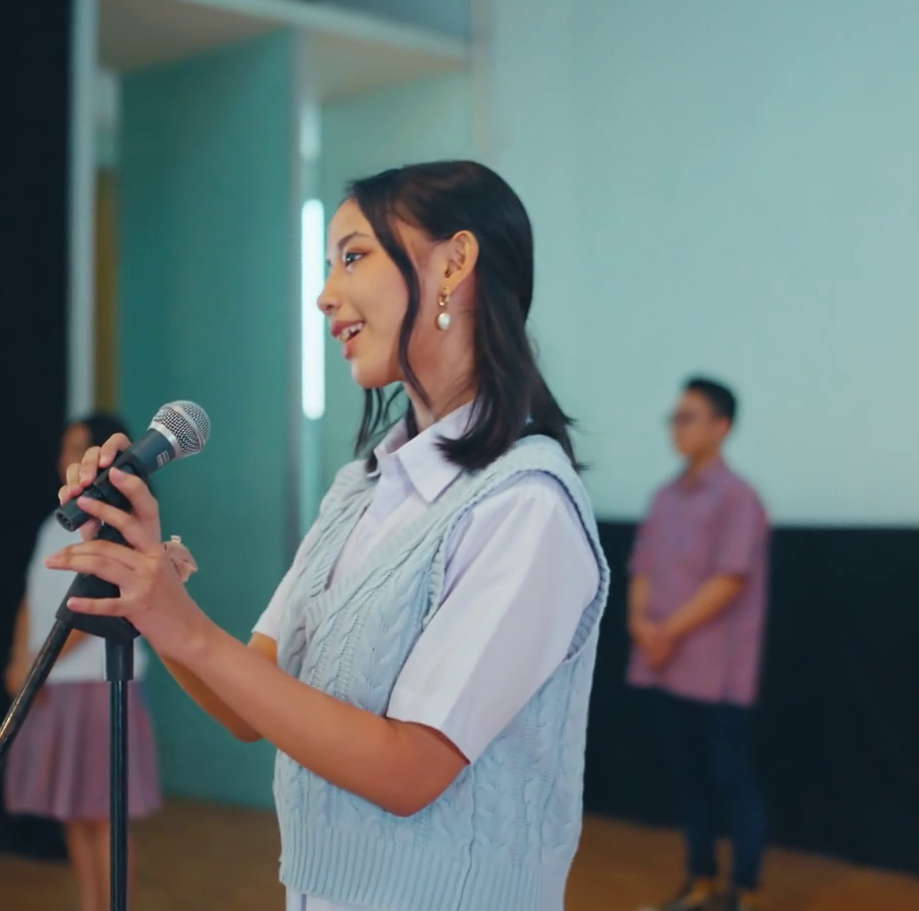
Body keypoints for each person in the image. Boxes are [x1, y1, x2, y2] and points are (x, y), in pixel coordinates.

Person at [45, 160, 608, 911]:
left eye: (353, 257)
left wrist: (188, 627)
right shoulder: (361, 490)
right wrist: (149, 578)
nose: (325, 295)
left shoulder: (526, 506)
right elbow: (246, 706)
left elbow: (410, 771)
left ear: (455, 263)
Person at [2, 412, 163, 911]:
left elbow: (88, 604)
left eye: (78, 448)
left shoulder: (116, 525)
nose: (66, 460)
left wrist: (39, 664)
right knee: (73, 810)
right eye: (66, 448)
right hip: (54, 682)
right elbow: (32, 597)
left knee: (105, 814)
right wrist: (19, 659)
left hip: (97, 684)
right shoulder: (55, 523)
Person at [628, 378, 772, 911]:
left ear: (721, 427)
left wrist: (666, 632)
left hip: (716, 673)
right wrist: (641, 624)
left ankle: (745, 891)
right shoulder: (664, 498)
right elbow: (642, 569)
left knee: (731, 781)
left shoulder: (739, 498)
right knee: (688, 780)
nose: (676, 427)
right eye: (675, 416)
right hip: (665, 665)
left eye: (688, 417)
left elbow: (730, 579)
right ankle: (701, 881)